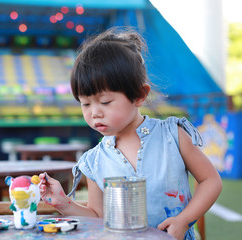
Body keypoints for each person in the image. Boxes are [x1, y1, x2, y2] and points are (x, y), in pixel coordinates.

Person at [38, 27, 222, 240]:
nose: (94, 113)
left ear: (139, 95)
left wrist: (183, 220)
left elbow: (210, 180)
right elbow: (97, 217)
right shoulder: (94, 161)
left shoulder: (173, 136)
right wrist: (64, 203)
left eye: (105, 102)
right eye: (85, 103)